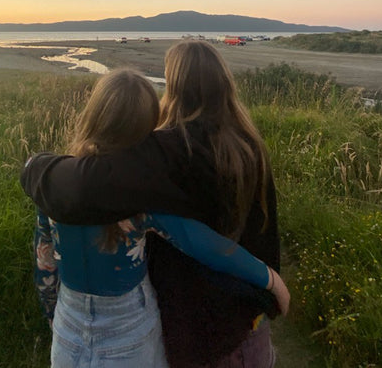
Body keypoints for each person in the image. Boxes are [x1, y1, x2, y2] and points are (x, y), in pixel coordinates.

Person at [22, 42, 286, 367]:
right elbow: (210, 242)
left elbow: (46, 265)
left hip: (103, 326)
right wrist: (269, 278)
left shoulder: (158, 155)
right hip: (232, 321)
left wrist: (37, 168)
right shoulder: (249, 146)